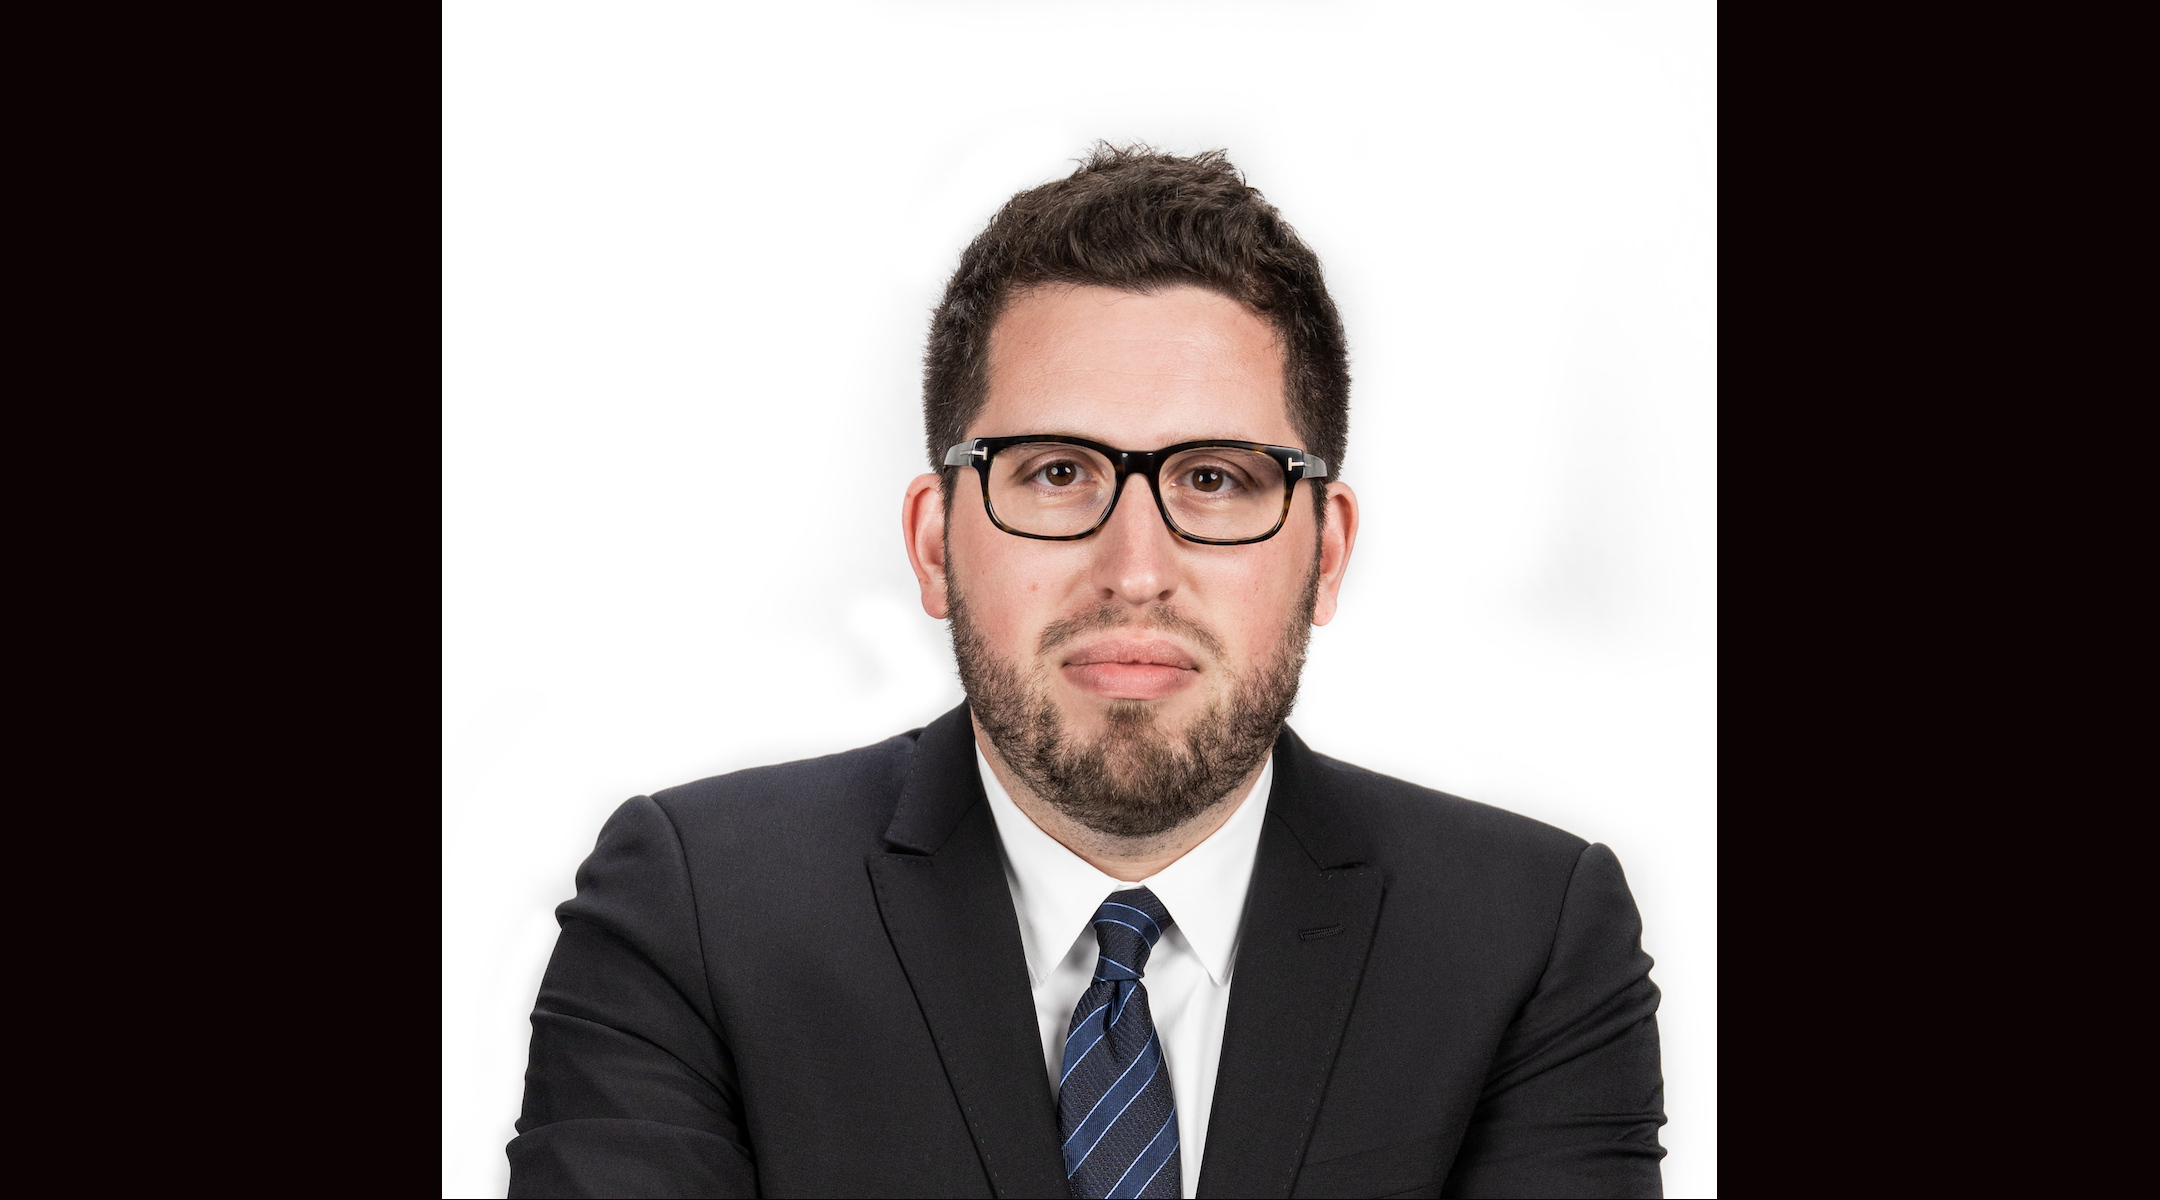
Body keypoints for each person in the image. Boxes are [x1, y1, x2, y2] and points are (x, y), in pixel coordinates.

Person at [508, 145, 1665, 1199]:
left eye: (1216, 478)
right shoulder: (695, 915)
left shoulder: (1526, 939)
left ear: (1325, 554)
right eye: (1057, 472)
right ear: (934, 544)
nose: (1136, 571)